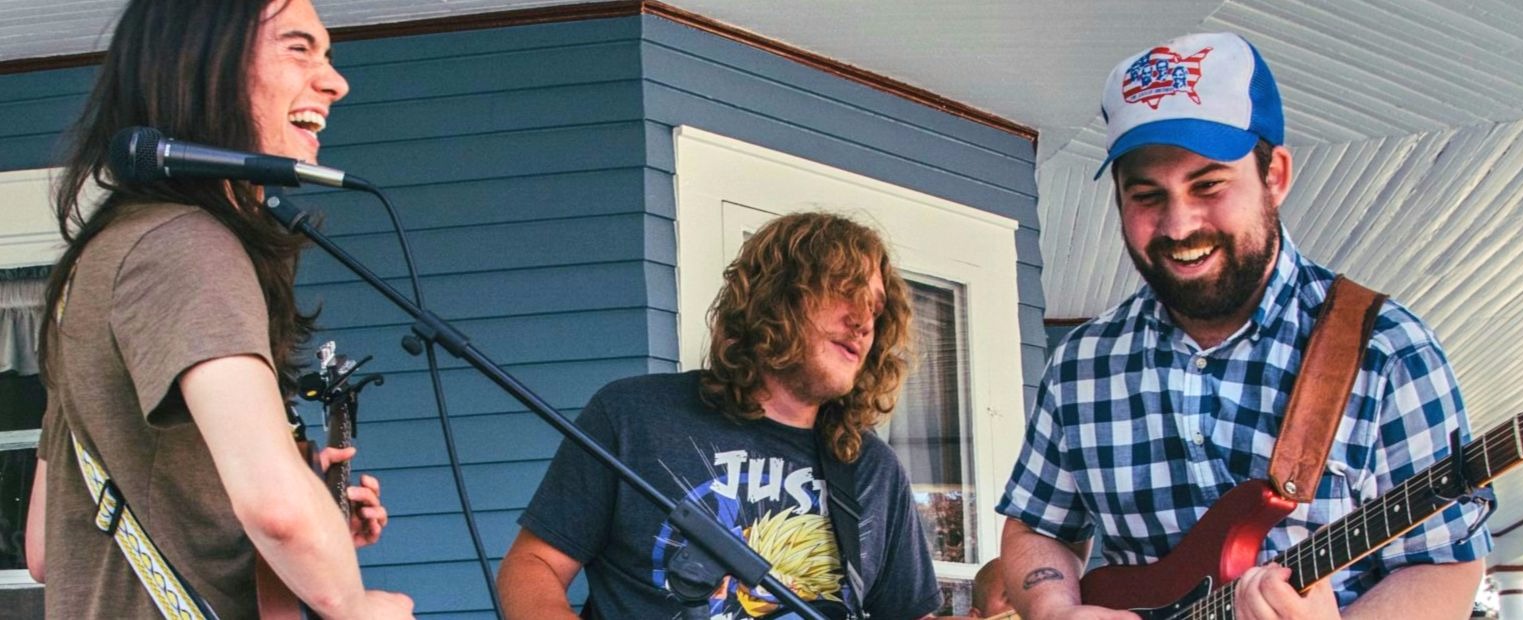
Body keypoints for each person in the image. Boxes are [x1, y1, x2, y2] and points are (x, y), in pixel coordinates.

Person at [996, 32, 1489, 620]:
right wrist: (1056, 609)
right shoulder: (1082, 364)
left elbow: (1444, 562)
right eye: (1146, 195)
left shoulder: (1389, 350)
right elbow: (1036, 526)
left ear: (1275, 174)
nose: (1179, 226)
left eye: (1208, 185)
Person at [23, 1, 412, 618]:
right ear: (202, 67)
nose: (335, 81)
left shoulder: (106, 261)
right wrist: (355, 606)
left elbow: (46, 546)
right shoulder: (186, 245)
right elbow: (277, 511)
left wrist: (316, 529)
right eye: (297, 48)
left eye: (328, 56)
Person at [498, 212, 942, 619]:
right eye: (847, 292)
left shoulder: (872, 470)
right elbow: (533, 564)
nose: (864, 322)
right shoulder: (635, 416)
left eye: (877, 309)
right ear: (778, 293)